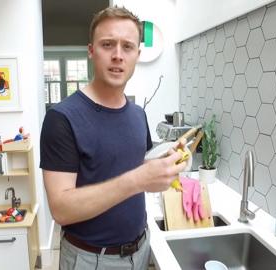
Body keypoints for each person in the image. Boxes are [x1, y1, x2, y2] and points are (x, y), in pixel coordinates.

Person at [40, 6, 187, 270]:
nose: (118, 55)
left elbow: (134, 167)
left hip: (140, 249)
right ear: (91, 50)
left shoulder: (137, 115)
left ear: (137, 55)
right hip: (90, 259)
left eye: (127, 47)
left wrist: (165, 161)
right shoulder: (62, 118)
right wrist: (138, 179)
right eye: (108, 44)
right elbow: (61, 209)